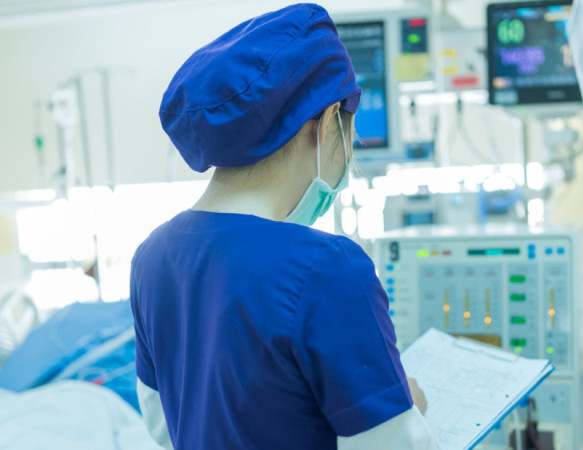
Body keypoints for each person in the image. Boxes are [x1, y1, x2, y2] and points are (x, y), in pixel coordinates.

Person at [130, 4, 440, 449]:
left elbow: (163, 423)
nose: (351, 147)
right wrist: (410, 410)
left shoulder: (152, 256)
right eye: (351, 130)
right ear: (329, 119)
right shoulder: (328, 268)